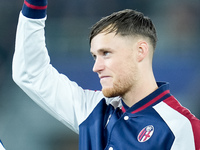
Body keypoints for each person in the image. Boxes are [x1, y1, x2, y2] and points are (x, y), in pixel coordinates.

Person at [12, 0, 200, 149]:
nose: (96, 67)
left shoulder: (182, 128)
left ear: (140, 51)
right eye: (95, 56)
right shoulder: (94, 109)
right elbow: (30, 73)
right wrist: (34, 5)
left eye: (106, 53)